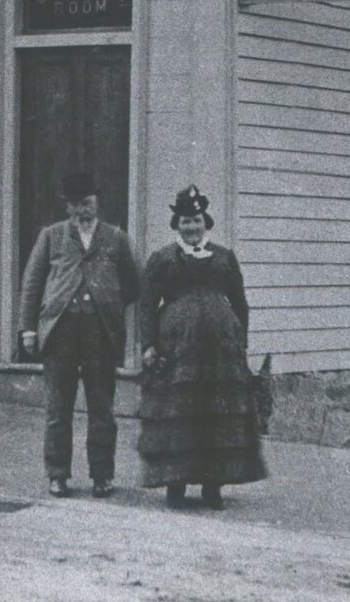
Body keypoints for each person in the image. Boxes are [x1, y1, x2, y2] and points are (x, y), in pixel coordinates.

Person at [137, 184, 267, 508]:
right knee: (179, 413)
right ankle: (175, 487)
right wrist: (149, 345)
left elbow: (240, 302)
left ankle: (213, 487)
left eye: (196, 220)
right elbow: (146, 305)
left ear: (205, 222)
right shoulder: (162, 259)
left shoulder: (224, 257)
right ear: (176, 225)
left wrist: (241, 343)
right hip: (178, 350)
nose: (192, 227)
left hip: (220, 352)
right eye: (185, 221)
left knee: (216, 414)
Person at [18, 170, 140, 498]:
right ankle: (57, 474)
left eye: (87, 203)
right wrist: (29, 329)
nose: (82, 211)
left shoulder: (116, 237)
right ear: (67, 208)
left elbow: (133, 283)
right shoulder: (51, 236)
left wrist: (107, 302)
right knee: (59, 409)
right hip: (61, 332)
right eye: (75, 205)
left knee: (102, 409)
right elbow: (31, 284)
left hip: (100, 334)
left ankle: (102, 475)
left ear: (97, 202)